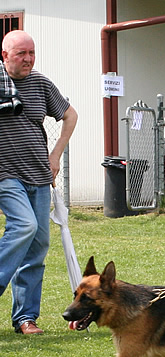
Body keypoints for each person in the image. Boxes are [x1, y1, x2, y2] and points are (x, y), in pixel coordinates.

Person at [0, 30, 77, 335]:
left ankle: (25, 318)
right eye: (22, 54)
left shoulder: (40, 83)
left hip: (39, 176)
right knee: (24, 226)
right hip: (5, 173)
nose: (29, 59)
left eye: (32, 53)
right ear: (5, 55)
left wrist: (56, 154)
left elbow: (70, 116)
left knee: (37, 247)